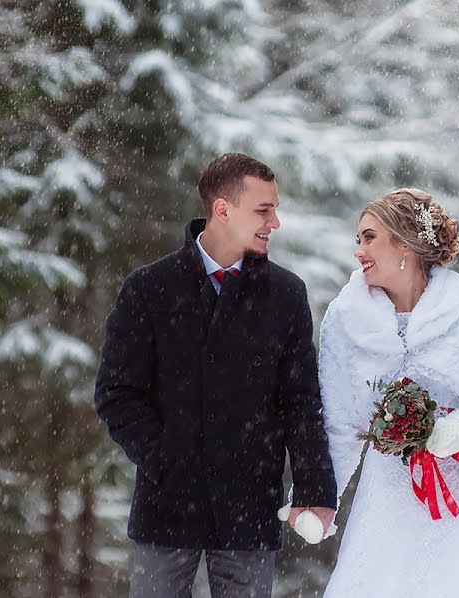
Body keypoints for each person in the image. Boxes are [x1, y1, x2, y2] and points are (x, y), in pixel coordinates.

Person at [94, 153, 336, 598]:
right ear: (222, 209)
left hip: (249, 506)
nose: (275, 222)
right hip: (165, 505)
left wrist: (314, 487)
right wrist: (165, 460)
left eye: (275, 209)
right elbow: (117, 393)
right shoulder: (149, 288)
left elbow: (301, 402)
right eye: (264, 210)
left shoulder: (286, 295)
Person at [319, 188, 459, 597]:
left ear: (405, 242)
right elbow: (341, 426)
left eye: (369, 237)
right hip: (384, 506)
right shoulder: (345, 320)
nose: (359, 250)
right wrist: (318, 500)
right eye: (358, 240)